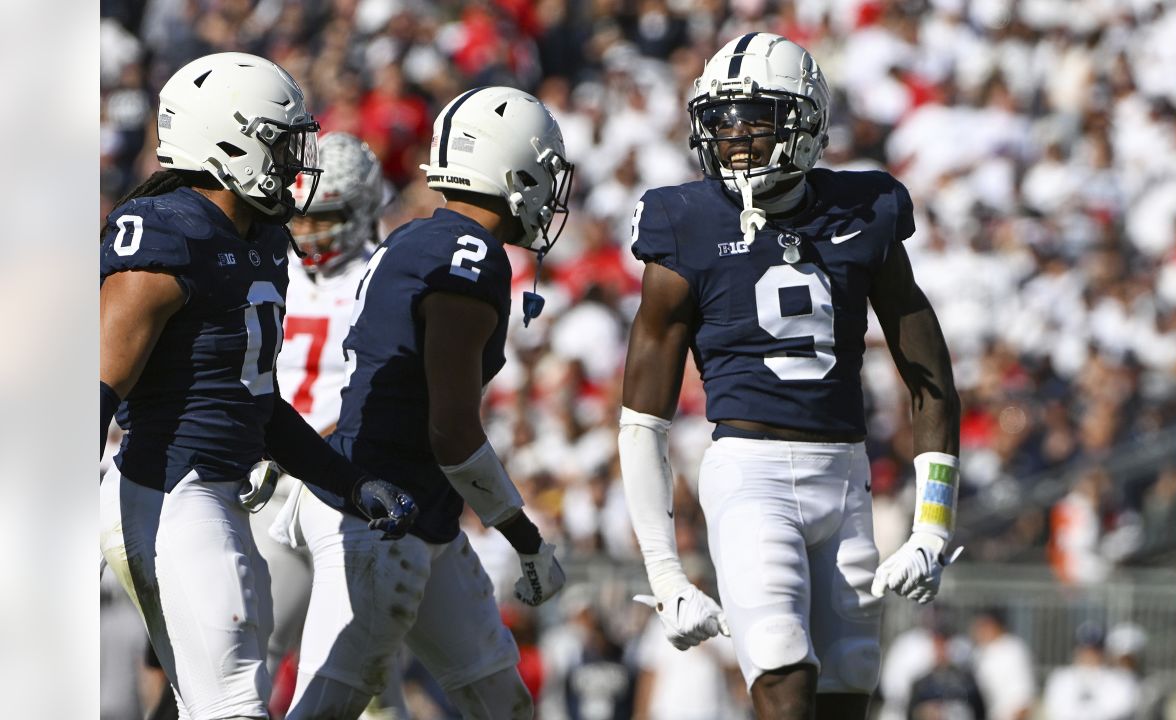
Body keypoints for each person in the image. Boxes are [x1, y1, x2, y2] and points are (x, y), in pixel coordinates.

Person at [617, 33, 962, 720]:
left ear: (806, 121)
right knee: (781, 669)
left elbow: (931, 380)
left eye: (757, 118)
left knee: (850, 684)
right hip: (750, 475)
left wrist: (932, 526)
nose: (736, 137)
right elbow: (641, 421)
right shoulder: (682, 223)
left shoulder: (867, 210)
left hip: (847, 475)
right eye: (721, 119)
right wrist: (665, 574)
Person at [99, 52, 419, 720]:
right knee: (236, 703)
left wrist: (346, 481)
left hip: (213, 491)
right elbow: (95, 389)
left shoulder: (263, 237)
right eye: (280, 145)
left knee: (207, 702)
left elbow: (254, 400)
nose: (293, 164)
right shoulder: (167, 233)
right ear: (230, 141)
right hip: (169, 490)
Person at [281, 86, 574, 720]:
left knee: (502, 700)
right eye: (543, 174)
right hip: (381, 513)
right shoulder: (467, 258)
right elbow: (453, 434)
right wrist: (524, 537)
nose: (549, 194)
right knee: (325, 708)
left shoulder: (417, 239)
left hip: (415, 507)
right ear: (511, 169)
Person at [247, 131, 412, 717]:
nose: (312, 229)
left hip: (346, 479)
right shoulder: (269, 265)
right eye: (305, 215)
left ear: (363, 206)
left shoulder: (382, 278)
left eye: (329, 215)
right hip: (274, 477)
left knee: (362, 664)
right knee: (259, 642)